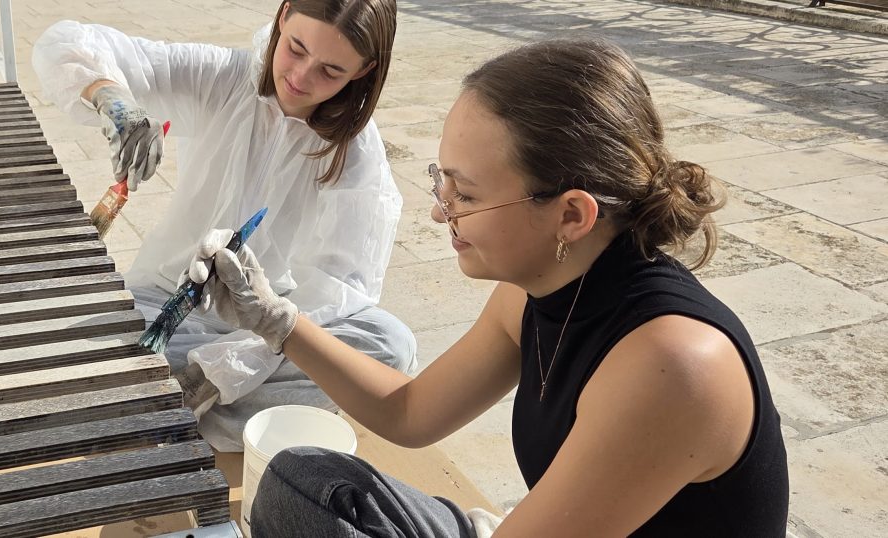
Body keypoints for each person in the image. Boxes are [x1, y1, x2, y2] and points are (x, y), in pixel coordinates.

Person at [187, 37, 790, 536]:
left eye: (466, 195)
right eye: (442, 182)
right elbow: (410, 412)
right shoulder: (537, 289)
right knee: (300, 483)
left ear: (572, 215)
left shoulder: (674, 365)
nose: (439, 211)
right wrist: (277, 320)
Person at [30, 0, 415, 451]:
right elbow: (69, 43)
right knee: (54, 341)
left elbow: (343, 289)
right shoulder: (222, 77)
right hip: (164, 304)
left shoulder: (356, 150)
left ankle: (175, 400)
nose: (300, 77)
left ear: (363, 70)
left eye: (331, 71)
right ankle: (209, 410)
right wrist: (112, 98)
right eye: (295, 48)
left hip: (266, 332)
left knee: (389, 345)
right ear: (283, 16)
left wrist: (244, 346)